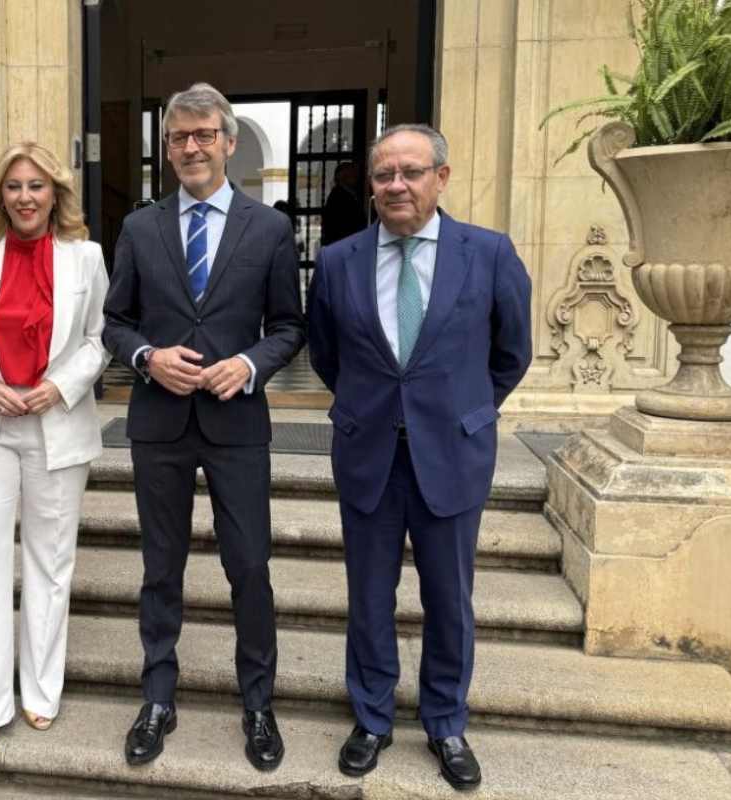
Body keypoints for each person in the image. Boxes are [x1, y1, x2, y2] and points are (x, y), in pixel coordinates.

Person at [306, 124, 532, 792]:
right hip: (368, 452)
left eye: (410, 172)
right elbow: (326, 355)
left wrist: (463, 410)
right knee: (369, 597)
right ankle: (371, 717)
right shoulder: (338, 261)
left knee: (449, 598)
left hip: (452, 454)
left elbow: (511, 353)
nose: (396, 185)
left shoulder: (488, 253)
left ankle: (445, 721)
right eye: (383, 175)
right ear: (370, 185)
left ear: (441, 176)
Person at [102, 82, 306, 772]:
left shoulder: (269, 229)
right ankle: (157, 697)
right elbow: (115, 322)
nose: (191, 147)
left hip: (236, 423)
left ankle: (258, 703)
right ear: (167, 150)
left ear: (228, 142)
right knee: (161, 567)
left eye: (203, 135)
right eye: (178, 138)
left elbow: (289, 327)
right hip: (158, 424)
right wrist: (146, 358)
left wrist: (248, 365)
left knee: (248, 566)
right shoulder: (140, 228)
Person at [0, 142, 111, 750]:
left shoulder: (86, 257)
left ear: (55, 193)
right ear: (0, 196)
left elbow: (100, 338)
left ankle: (40, 692)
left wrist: (62, 386)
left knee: (50, 564)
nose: (25, 197)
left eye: (36, 185)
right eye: (14, 186)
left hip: (57, 425)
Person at [320, 161, 366, 247]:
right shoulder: (338, 196)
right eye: (352, 174)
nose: (356, 177)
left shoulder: (347, 194)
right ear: (344, 177)